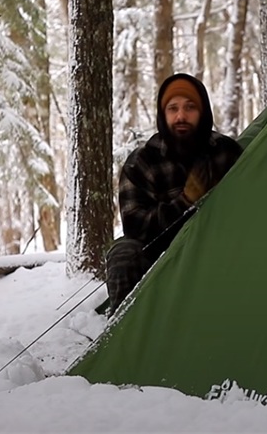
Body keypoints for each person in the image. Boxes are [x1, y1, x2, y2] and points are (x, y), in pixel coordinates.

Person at [104, 73, 243, 314]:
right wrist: (184, 202)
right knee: (124, 254)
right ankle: (125, 338)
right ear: (163, 113)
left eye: (190, 107)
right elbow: (136, 227)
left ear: (203, 112)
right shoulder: (142, 162)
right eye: (173, 108)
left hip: (221, 252)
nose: (181, 116)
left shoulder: (226, 153)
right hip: (162, 261)